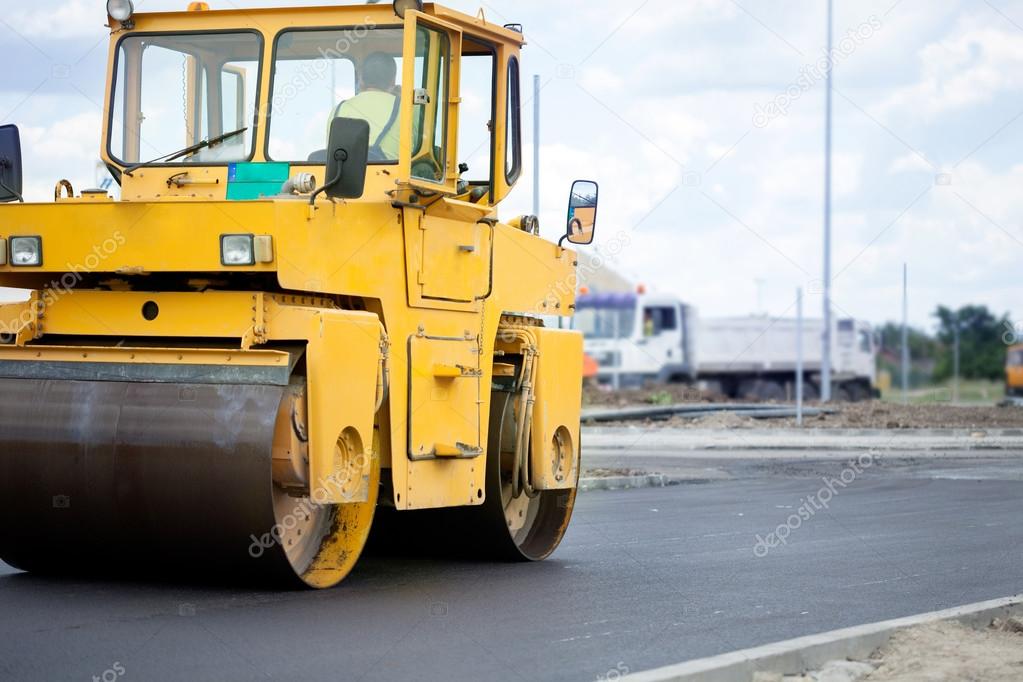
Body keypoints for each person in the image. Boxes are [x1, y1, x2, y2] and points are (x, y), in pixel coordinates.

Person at [329, 52, 401, 161]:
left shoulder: (338, 110)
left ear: (361, 79)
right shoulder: (405, 108)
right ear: (393, 80)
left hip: (344, 176)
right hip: (389, 176)